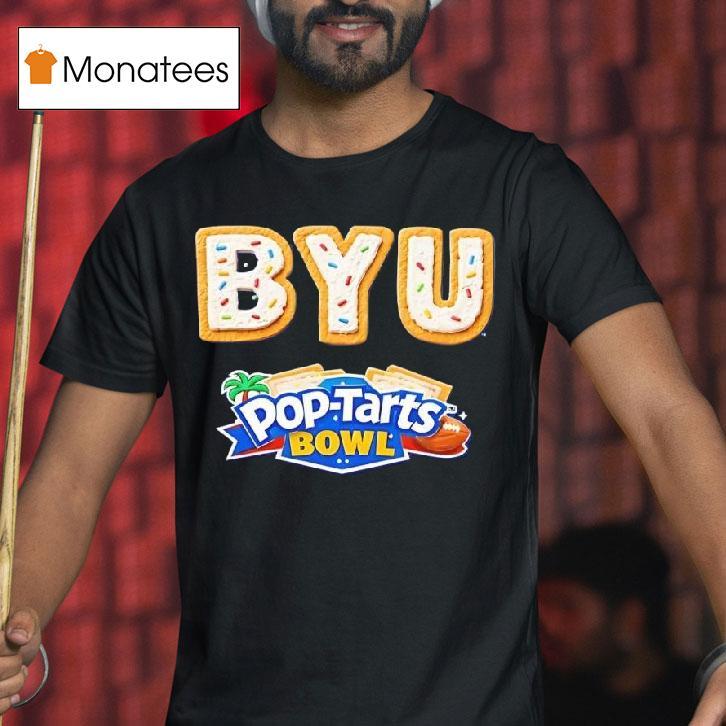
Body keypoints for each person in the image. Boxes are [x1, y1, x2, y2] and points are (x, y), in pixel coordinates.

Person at [1, 0, 724, 723]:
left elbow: (664, 414)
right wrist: (15, 622)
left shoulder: (524, 186)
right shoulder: (166, 208)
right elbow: (70, 475)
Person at [538, 522, 699, 725]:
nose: (550, 627)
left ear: (630, 619)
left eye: (567, 607)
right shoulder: (545, 703)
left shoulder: (702, 698)